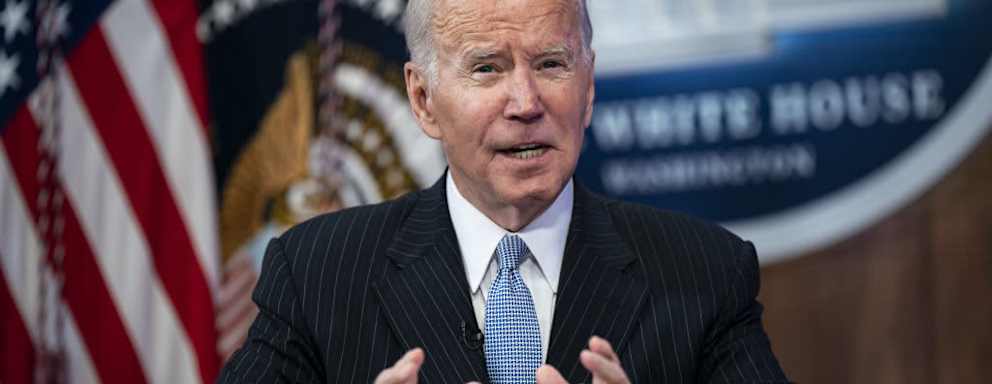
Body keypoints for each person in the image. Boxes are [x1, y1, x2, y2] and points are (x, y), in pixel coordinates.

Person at [218, 0, 789, 382]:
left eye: (551, 63)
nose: (525, 102)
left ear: (588, 86)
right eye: (487, 68)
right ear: (423, 100)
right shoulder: (316, 272)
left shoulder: (705, 273)